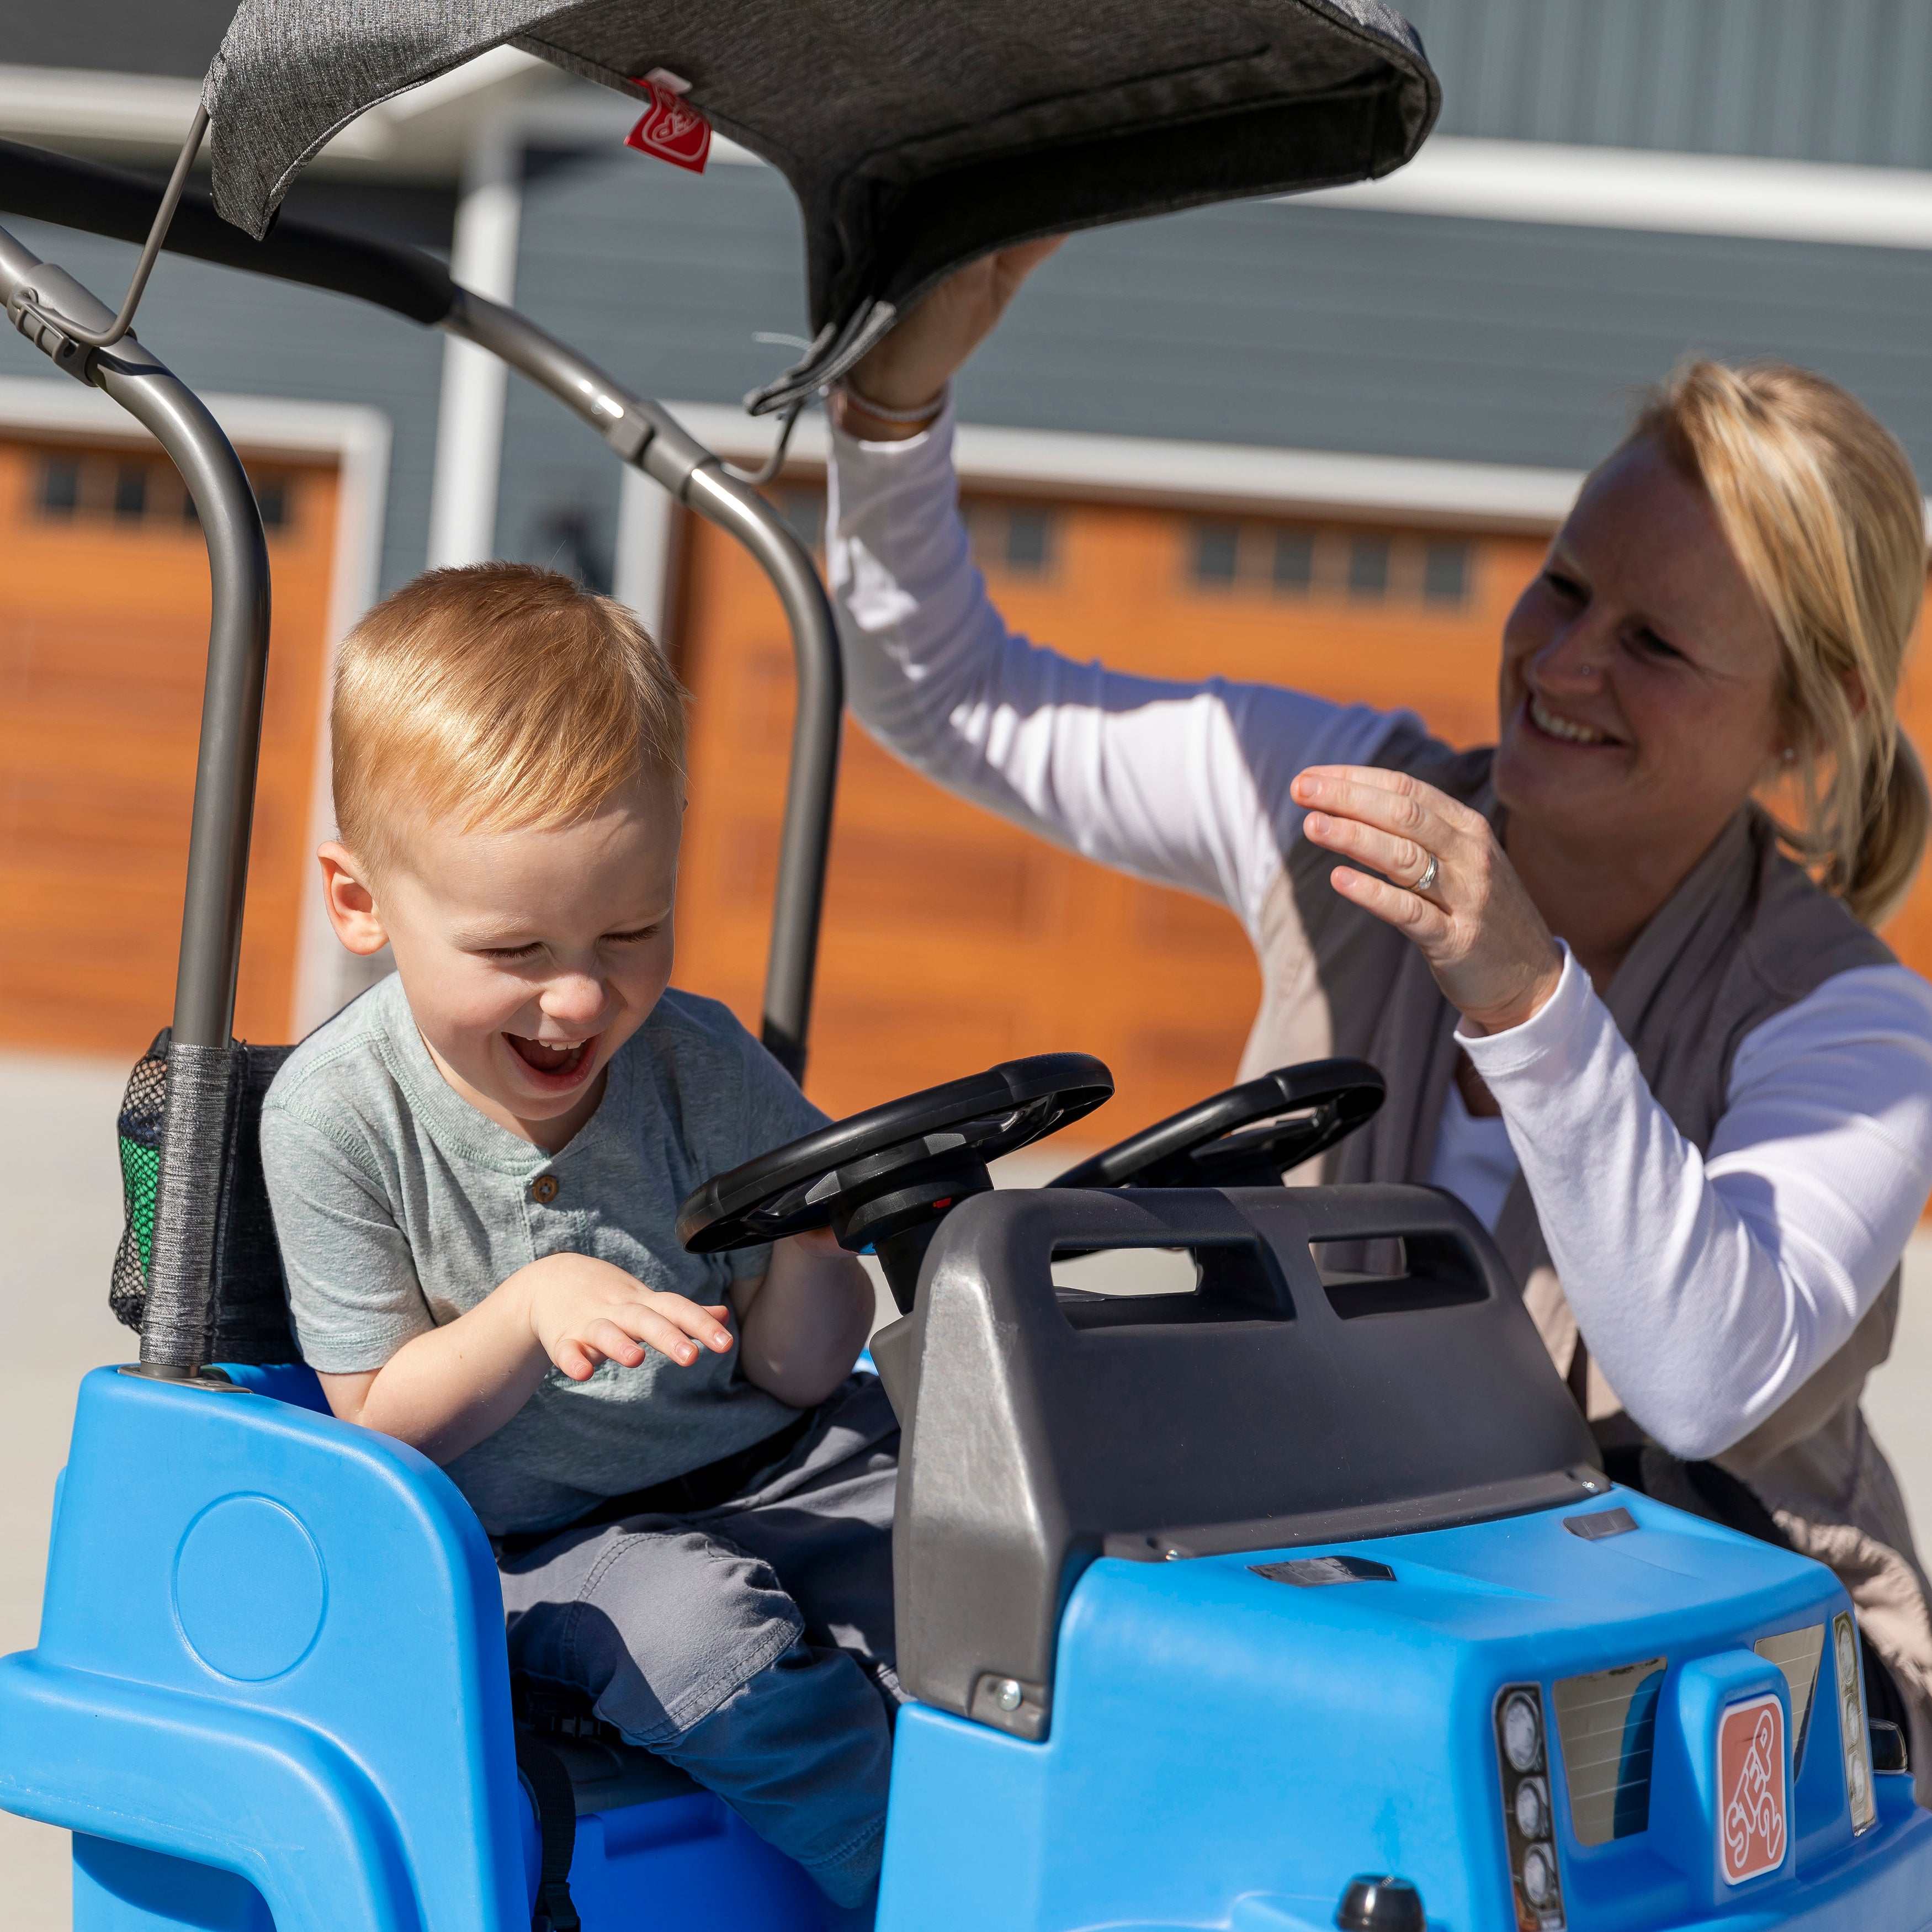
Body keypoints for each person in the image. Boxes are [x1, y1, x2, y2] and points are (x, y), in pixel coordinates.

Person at [825, 240, 1932, 1790]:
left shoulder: (1856, 1026)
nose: (1558, 661)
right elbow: (951, 694)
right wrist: (892, 404)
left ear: (1799, 721)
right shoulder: (1358, 794)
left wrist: (1525, 994)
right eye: (1562, 583)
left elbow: (1698, 1375)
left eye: (1655, 644)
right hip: (1355, 1635)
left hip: (1732, 1722)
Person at [258, 564, 893, 1914]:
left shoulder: (703, 1065)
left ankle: (1102, 1809)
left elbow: (795, 1373)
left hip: (770, 1459)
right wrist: (524, 1308)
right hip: (534, 1545)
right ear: (361, 902)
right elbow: (375, 1426)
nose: (578, 995)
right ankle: (923, 1882)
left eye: (631, 929)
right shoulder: (336, 1115)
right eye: (515, 946)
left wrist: (813, 1251)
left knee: (1011, 1520)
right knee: (692, 1635)